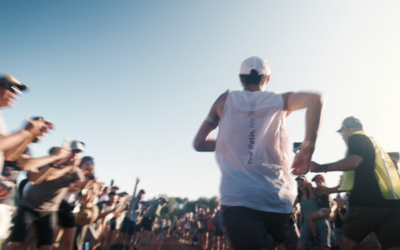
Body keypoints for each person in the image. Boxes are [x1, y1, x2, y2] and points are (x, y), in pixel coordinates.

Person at [193, 56, 324, 250]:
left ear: (241, 78)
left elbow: (199, 143)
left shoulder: (225, 100)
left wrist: (233, 142)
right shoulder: (280, 100)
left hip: (239, 198)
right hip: (276, 198)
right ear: (268, 79)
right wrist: (307, 149)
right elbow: (316, 99)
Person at [311, 116, 400, 250]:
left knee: (347, 246)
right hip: (391, 205)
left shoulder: (356, 137)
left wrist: (321, 167)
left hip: (365, 204)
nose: (343, 137)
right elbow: (358, 180)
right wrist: (330, 190)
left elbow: (353, 162)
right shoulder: (375, 145)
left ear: (345, 130)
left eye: (342, 134)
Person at [4, 144, 90, 250]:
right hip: (30, 206)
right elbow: (48, 177)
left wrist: (90, 177)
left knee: (47, 246)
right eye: (73, 151)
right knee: (17, 242)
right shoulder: (49, 162)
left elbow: (82, 185)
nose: (75, 155)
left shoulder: (75, 171)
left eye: (78, 152)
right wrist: (68, 167)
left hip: (49, 211)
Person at [295, 176, 331, 250]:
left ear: (307, 182)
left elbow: (331, 201)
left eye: (302, 180)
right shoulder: (298, 197)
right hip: (306, 226)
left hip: (322, 224)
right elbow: (289, 206)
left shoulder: (315, 191)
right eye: (298, 181)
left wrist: (309, 188)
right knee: (300, 247)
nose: (299, 182)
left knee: (324, 248)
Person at [305, 175, 333, 246]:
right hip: (324, 210)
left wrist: (309, 188)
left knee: (309, 218)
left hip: (325, 210)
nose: (317, 182)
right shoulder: (320, 188)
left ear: (323, 180)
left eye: (318, 180)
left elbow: (313, 196)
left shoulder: (322, 188)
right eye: (316, 181)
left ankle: (315, 237)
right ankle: (330, 242)